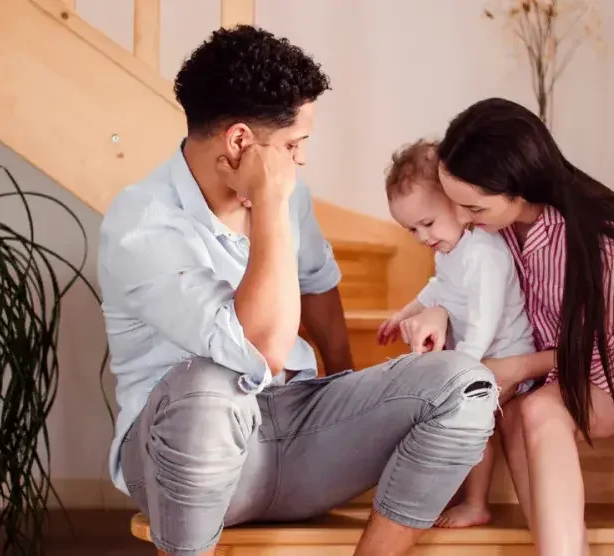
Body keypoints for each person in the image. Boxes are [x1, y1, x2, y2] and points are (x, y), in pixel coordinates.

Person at [96, 26, 498, 556]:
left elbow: (317, 285)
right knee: (211, 385)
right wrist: (268, 202)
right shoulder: (141, 226)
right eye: (292, 145)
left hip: (295, 434)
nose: (301, 159)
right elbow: (258, 348)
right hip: (188, 454)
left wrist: (348, 393)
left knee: (465, 383)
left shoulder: (291, 192)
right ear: (241, 142)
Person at [404, 98, 614, 555]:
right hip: (565, 360)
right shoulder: (496, 228)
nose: (464, 219)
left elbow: (609, 344)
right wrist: (439, 312)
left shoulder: (598, 235)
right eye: (457, 206)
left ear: (517, 188)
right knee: (513, 416)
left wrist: (519, 367)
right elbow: (467, 288)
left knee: (538, 410)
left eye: (474, 208)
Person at [375, 139, 536, 528]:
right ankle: (457, 493)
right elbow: (438, 289)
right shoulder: (450, 250)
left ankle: (476, 502)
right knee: (457, 414)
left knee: (469, 416)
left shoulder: (484, 254)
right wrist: (405, 313)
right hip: (477, 356)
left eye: (426, 224)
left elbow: (484, 322)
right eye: (410, 229)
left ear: (459, 205)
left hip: (503, 356)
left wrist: (460, 374)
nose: (421, 237)